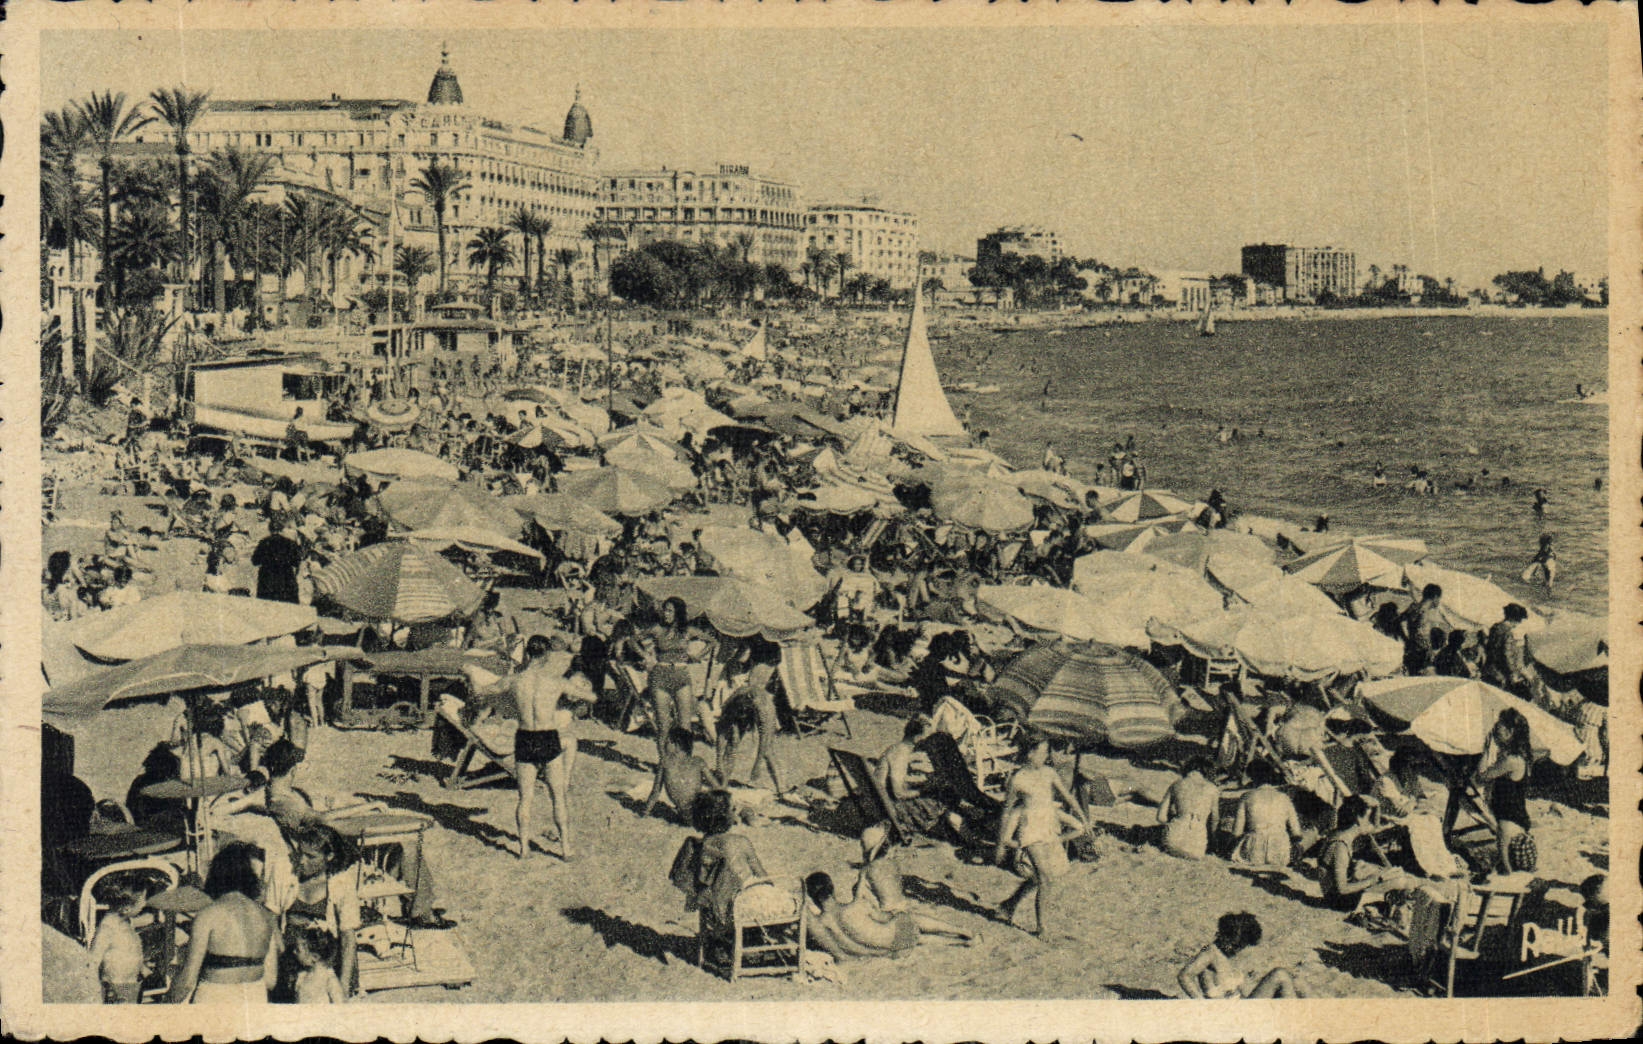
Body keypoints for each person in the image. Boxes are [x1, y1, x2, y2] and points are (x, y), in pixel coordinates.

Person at [466, 635, 582, 861]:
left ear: (528, 654)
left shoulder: (514, 680)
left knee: (525, 798)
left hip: (525, 738)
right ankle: (566, 848)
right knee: (558, 797)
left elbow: (481, 692)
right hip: (547, 736)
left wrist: (471, 673)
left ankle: (524, 848)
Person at [994, 734, 1090, 937]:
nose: (1046, 756)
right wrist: (1001, 844)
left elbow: (1068, 797)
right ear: (1030, 753)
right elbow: (1006, 812)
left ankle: (1008, 905)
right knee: (1045, 878)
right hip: (1030, 831)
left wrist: (1083, 818)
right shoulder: (1017, 779)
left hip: (1049, 828)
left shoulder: (1049, 773)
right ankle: (1042, 929)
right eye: (1043, 751)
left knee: (1042, 877)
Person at [166, 842, 278, 1004]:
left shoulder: (209, 915)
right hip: (254, 997)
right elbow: (270, 980)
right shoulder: (266, 916)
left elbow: (188, 981)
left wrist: (167, 1002)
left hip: (216, 997)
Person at [804, 869, 977, 961]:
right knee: (910, 918)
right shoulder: (855, 907)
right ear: (832, 888)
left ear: (812, 897)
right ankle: (962, 932)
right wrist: (893, 913)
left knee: (918, 940)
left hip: (889, 949)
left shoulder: (823, 922)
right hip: (897, 935)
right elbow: (883, 918)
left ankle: (957, 943)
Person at [273, 822, 361, 1002]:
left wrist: (343, 985)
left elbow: (348, 937)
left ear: (329, 856)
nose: (302, 861)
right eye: (300, 853)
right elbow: (270, 920)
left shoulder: (341, 882)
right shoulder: (284, 871)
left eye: (311, 856)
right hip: (292, 959)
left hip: (327, 966)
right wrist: (282, 957)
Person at [1177, 912, 1304, 998]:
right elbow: (1184, 975)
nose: (1236, 950)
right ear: (1223, 935)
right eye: (1235, 945)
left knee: (1297, 982)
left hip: (1242, 1006)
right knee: (1280, 974)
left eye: (1240, 947)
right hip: (1232, 1014)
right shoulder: (1210, 952)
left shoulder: (1224, 954)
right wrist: (1201, 1004)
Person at [642, 596, 714, 746]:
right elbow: (633, 640)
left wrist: (697, 656)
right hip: (660, 675)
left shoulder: (688, 631)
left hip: (681, 675)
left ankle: (684, 761)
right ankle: (663, 766)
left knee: (685, 726)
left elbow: (712, 641)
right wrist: (645, 655)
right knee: (663, 726)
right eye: (665, 610)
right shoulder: (657, 629)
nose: (666, 614)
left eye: (670, 611)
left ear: (678, 613)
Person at [1317, 796, 1403, 914]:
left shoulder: (1340, 833)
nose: (1369, 822)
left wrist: (1376, 806)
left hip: (1335, 892)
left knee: (1384, 872)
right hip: (1339, 902)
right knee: (1397, 881)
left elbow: (1374, 827)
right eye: (1367, 818)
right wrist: (1376, 880)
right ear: (1358, 819)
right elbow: (1342, 889)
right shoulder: (1340, 847)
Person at [1475, 708, 1536, 874]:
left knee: (1508, 871)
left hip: (1508, 821)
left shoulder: (1511, 760)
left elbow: (1481, 777)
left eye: (1499, 726)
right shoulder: (1517, 756)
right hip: (1515, 817)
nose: (1495, 728)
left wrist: (1486, 749)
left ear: (1511, 732)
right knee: (1511, 869)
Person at [715, 661, 786, 796]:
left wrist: (757, 766)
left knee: (768, 751)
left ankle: (781, 788)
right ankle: (723, 784)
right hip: (740, 702)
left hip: (759, 704)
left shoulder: (765, 707)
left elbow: (764, 742)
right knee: (732, 743)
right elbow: (722, 734)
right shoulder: (735, 700)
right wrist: (718, 761)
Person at [89, 876, 152, 1003]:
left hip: (131, 985)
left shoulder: (126, 923)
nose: (145, 904)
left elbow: (130, 951)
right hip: (115, 988)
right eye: (143, 900)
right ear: (127, 907)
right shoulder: (108, 927)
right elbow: (93, 960)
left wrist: (144, 970)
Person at [1229, 761, 1301, 870]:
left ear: (1252, 777)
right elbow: (1297, 833)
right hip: (1279, 853)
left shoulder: (1247, 797)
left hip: (1254, 852)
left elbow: (1236, 832)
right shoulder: (1284, 798)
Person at [644, 727, 721, 823]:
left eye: (667, 742)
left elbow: (655, 792)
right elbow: (717, 787)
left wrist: (645, 813)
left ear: (676, 745)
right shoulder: (698, 761)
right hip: (700, 812)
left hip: (686, 815)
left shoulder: (665, 762)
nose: (664, 745)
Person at [1157, 756, 1220, 860]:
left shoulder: (1176, 784)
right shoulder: (1212, 789)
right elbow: (1215, 820)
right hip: (1196, 846)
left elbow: (1160, 817)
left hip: (1173, 839)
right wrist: (1213, 840)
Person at [1484, 603, 1535, 697]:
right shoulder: (1507, 633)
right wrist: (1513, 673)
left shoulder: (1495, 628)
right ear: (1514, 619)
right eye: (1519, 621)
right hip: (1500, 675)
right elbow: (1506, 655)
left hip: (1489, 670)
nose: (1518, 624)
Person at [252, 518, 303, 604]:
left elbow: (255, 561)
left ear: (269, 529)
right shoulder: (290, 543)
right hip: (286, 579)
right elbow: (297, 562)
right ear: (282, 529)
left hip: (268, 579)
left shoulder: (264, 542)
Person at [1398, 584, 1445, 675]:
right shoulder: (1422, 610)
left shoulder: (1414, 606)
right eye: (1439, 599)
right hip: (1420, 652)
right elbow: (1420, 634)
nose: (1439, 602)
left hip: (1412, 649)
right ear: (1435, 597)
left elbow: (1399, 621)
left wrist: (1406, 639)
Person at [292, 926, 346, 1004]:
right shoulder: (301, 976)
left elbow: (339, 1005)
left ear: (314, 956)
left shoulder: (328, 978)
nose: (294, 952)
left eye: (298, 950)